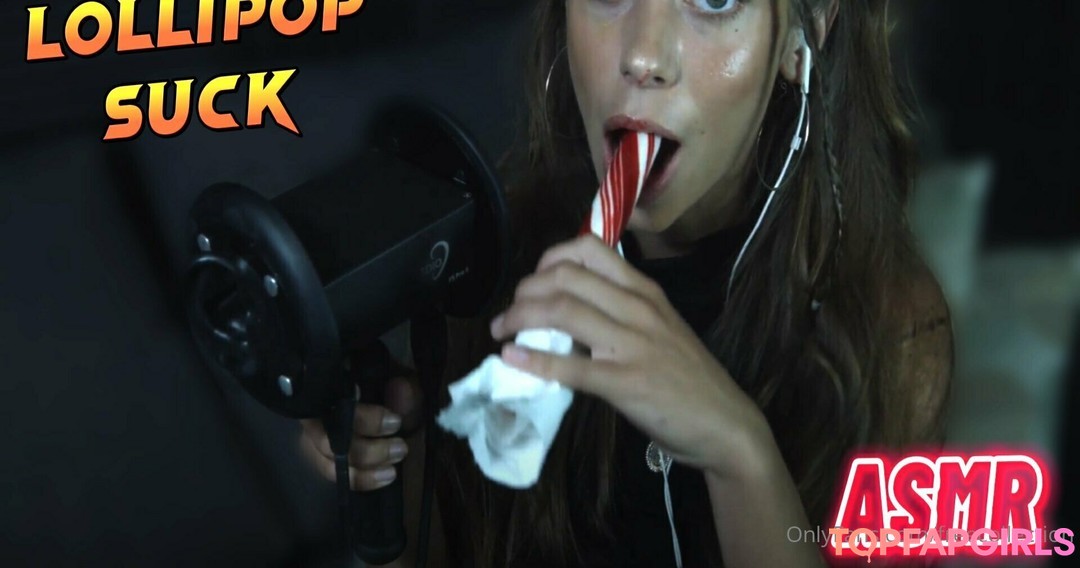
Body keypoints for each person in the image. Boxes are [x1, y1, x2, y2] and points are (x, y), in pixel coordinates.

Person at [300, 0, 953, 566]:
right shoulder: (486, 278)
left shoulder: (889, 333)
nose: (644, 57)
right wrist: (392, 475)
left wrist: (738, 453)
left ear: (804, 32)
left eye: (715, 1)